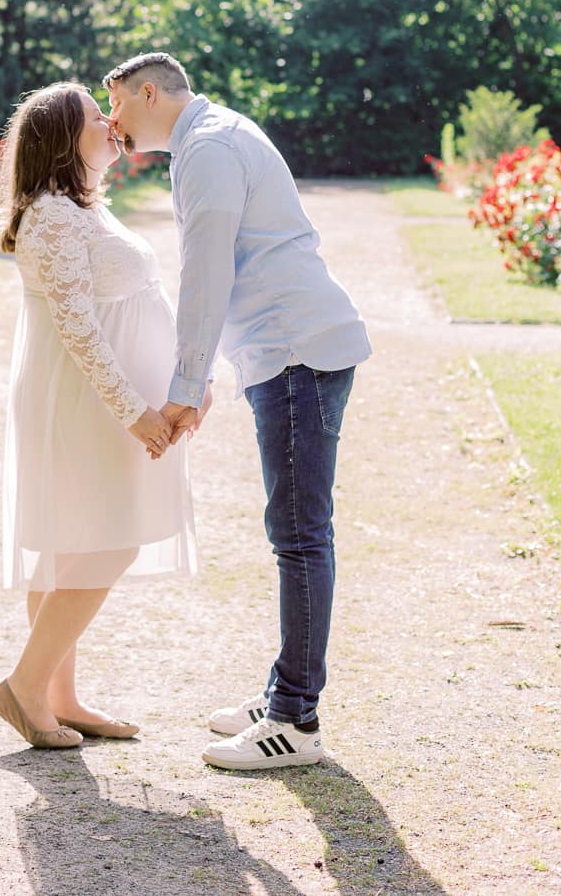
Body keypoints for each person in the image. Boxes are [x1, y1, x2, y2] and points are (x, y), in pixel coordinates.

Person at [104, 52, 371, 772]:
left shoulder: (210, 147)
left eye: (118, 106)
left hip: (296, 351)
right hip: (287, 349)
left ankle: (295, 720)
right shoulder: (211, 137)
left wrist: (186, 385)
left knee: (299, 535)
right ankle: (284, 693)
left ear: (147, 92)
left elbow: (208, 271)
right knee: (296, 532)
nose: (112, 122)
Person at [0, 81, 201, 751]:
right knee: (108, 537)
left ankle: (58, 696)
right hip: (85, 405)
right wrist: (134, 411)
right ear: (60, 141)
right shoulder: (51, 215)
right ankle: (24, 685)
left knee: (73, 543)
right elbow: (78, 329)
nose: (112, 122)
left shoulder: (83, 207)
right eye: (93, 116)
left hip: (102, 404)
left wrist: (187, 377)